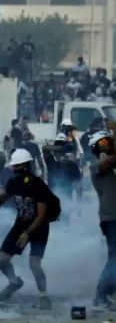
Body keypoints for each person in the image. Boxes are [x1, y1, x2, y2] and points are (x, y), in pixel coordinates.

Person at [0, 148, 56, 310]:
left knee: (34, 263)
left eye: (17, 167)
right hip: (20, 223)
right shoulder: (14, 183)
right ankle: (14, 282)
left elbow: (42, 215)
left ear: (25, 167)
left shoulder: (38, 185)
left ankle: (43, 296)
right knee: (1, 260)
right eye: (14, 167)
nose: (14, 170)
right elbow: (3, 197)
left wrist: (27, 233)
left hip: (39, 227)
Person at [89, 131, 116, 309]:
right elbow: (110, 160)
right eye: (104, 141)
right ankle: (102, 294)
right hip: (111, 219)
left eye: (109, 140)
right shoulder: (96, 165)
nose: (107, 143)